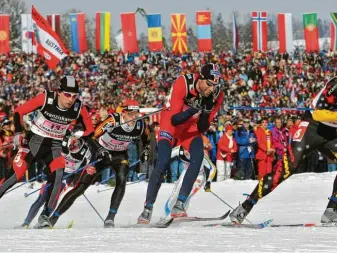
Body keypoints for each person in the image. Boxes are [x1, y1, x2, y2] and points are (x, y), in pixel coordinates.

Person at [229, 58, 337, 224]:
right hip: (312, 126)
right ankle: (245, 206)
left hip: (331, 132)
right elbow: (318, 113)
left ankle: (332, 210)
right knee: (287, 168)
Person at [0, 76, 94, 222]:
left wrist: (78, 138)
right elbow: (19, 112)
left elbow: (90, 129)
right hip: (33, 142)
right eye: (67, 95)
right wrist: (18, 131)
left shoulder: (77, 107)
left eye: (74, 96)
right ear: (59, 92)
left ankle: (45, 215)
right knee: (14, 176)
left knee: (58, 176)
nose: (71, 99)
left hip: (54, 146)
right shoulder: (45, 99)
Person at [138, 63, 224, 224]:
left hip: (190, 127)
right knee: (162, 162)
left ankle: (179, 203)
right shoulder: (183, 82)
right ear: (200, 78)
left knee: (198, 158)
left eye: (216, 85)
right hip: (171, 123)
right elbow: (175, 119)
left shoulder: (217, 95)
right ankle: (147, 208)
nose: (212, 89)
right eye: (210, 84)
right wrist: (193, 109)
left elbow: (202, 127)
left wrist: (205, 113)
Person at [48, 99, 148, 228]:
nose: (134, 117)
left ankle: (110, 218)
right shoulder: (113, 121)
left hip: (120, 155)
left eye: (136, 114)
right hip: (101, 153)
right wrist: (101, 150)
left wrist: (146, 149)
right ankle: (54, 217)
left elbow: (146, 138)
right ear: (123, 113)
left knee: (122, 179)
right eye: (131, 114)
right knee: (80, 188)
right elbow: (92, 137)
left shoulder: (140, 124)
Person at [18, 127, 93, 228]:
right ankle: (26, 223)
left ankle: (42, 221)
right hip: (55, 173)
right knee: (42, 198)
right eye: (72, 138)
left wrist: (87, 168)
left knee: (54, 198)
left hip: (66, 177)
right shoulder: (63, 142)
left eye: (76, 139)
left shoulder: (86, 151)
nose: (73, 142)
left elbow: (87, 165)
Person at [164, 145, 216, 216]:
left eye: (189, 150)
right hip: (186, 172)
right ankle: (166, 214)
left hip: (199, 175)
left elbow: (212, 168)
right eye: (185, 149)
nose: (186, 152)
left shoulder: (200, 154)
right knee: (175, 194)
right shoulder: (179, 150)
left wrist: (208, 181)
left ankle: (180, 211)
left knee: (187, 194)